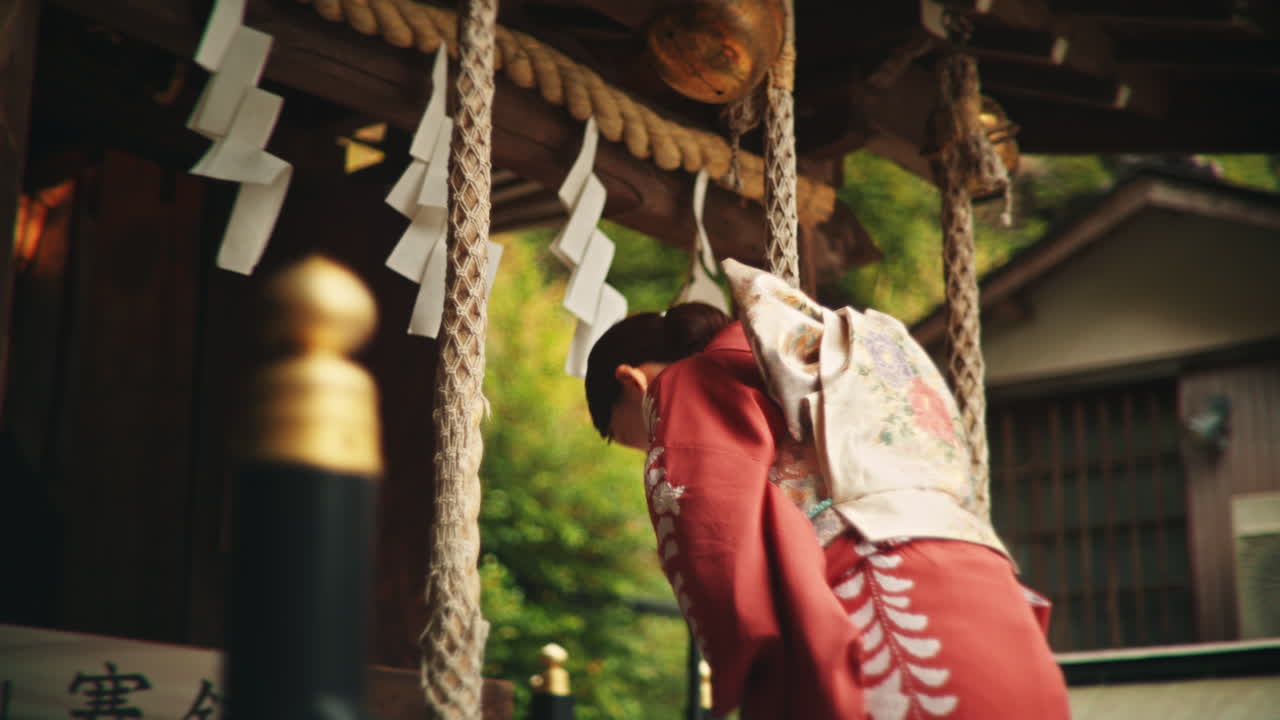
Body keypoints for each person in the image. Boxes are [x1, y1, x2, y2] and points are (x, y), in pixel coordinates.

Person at [584, 260, 1069, 719]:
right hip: (988, 596)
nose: (655, 447)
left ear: (632, 383)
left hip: (879, 603)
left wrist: (754, 673)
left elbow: (713, 535)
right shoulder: (841, 352)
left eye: (639, 439)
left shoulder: (689, 381)